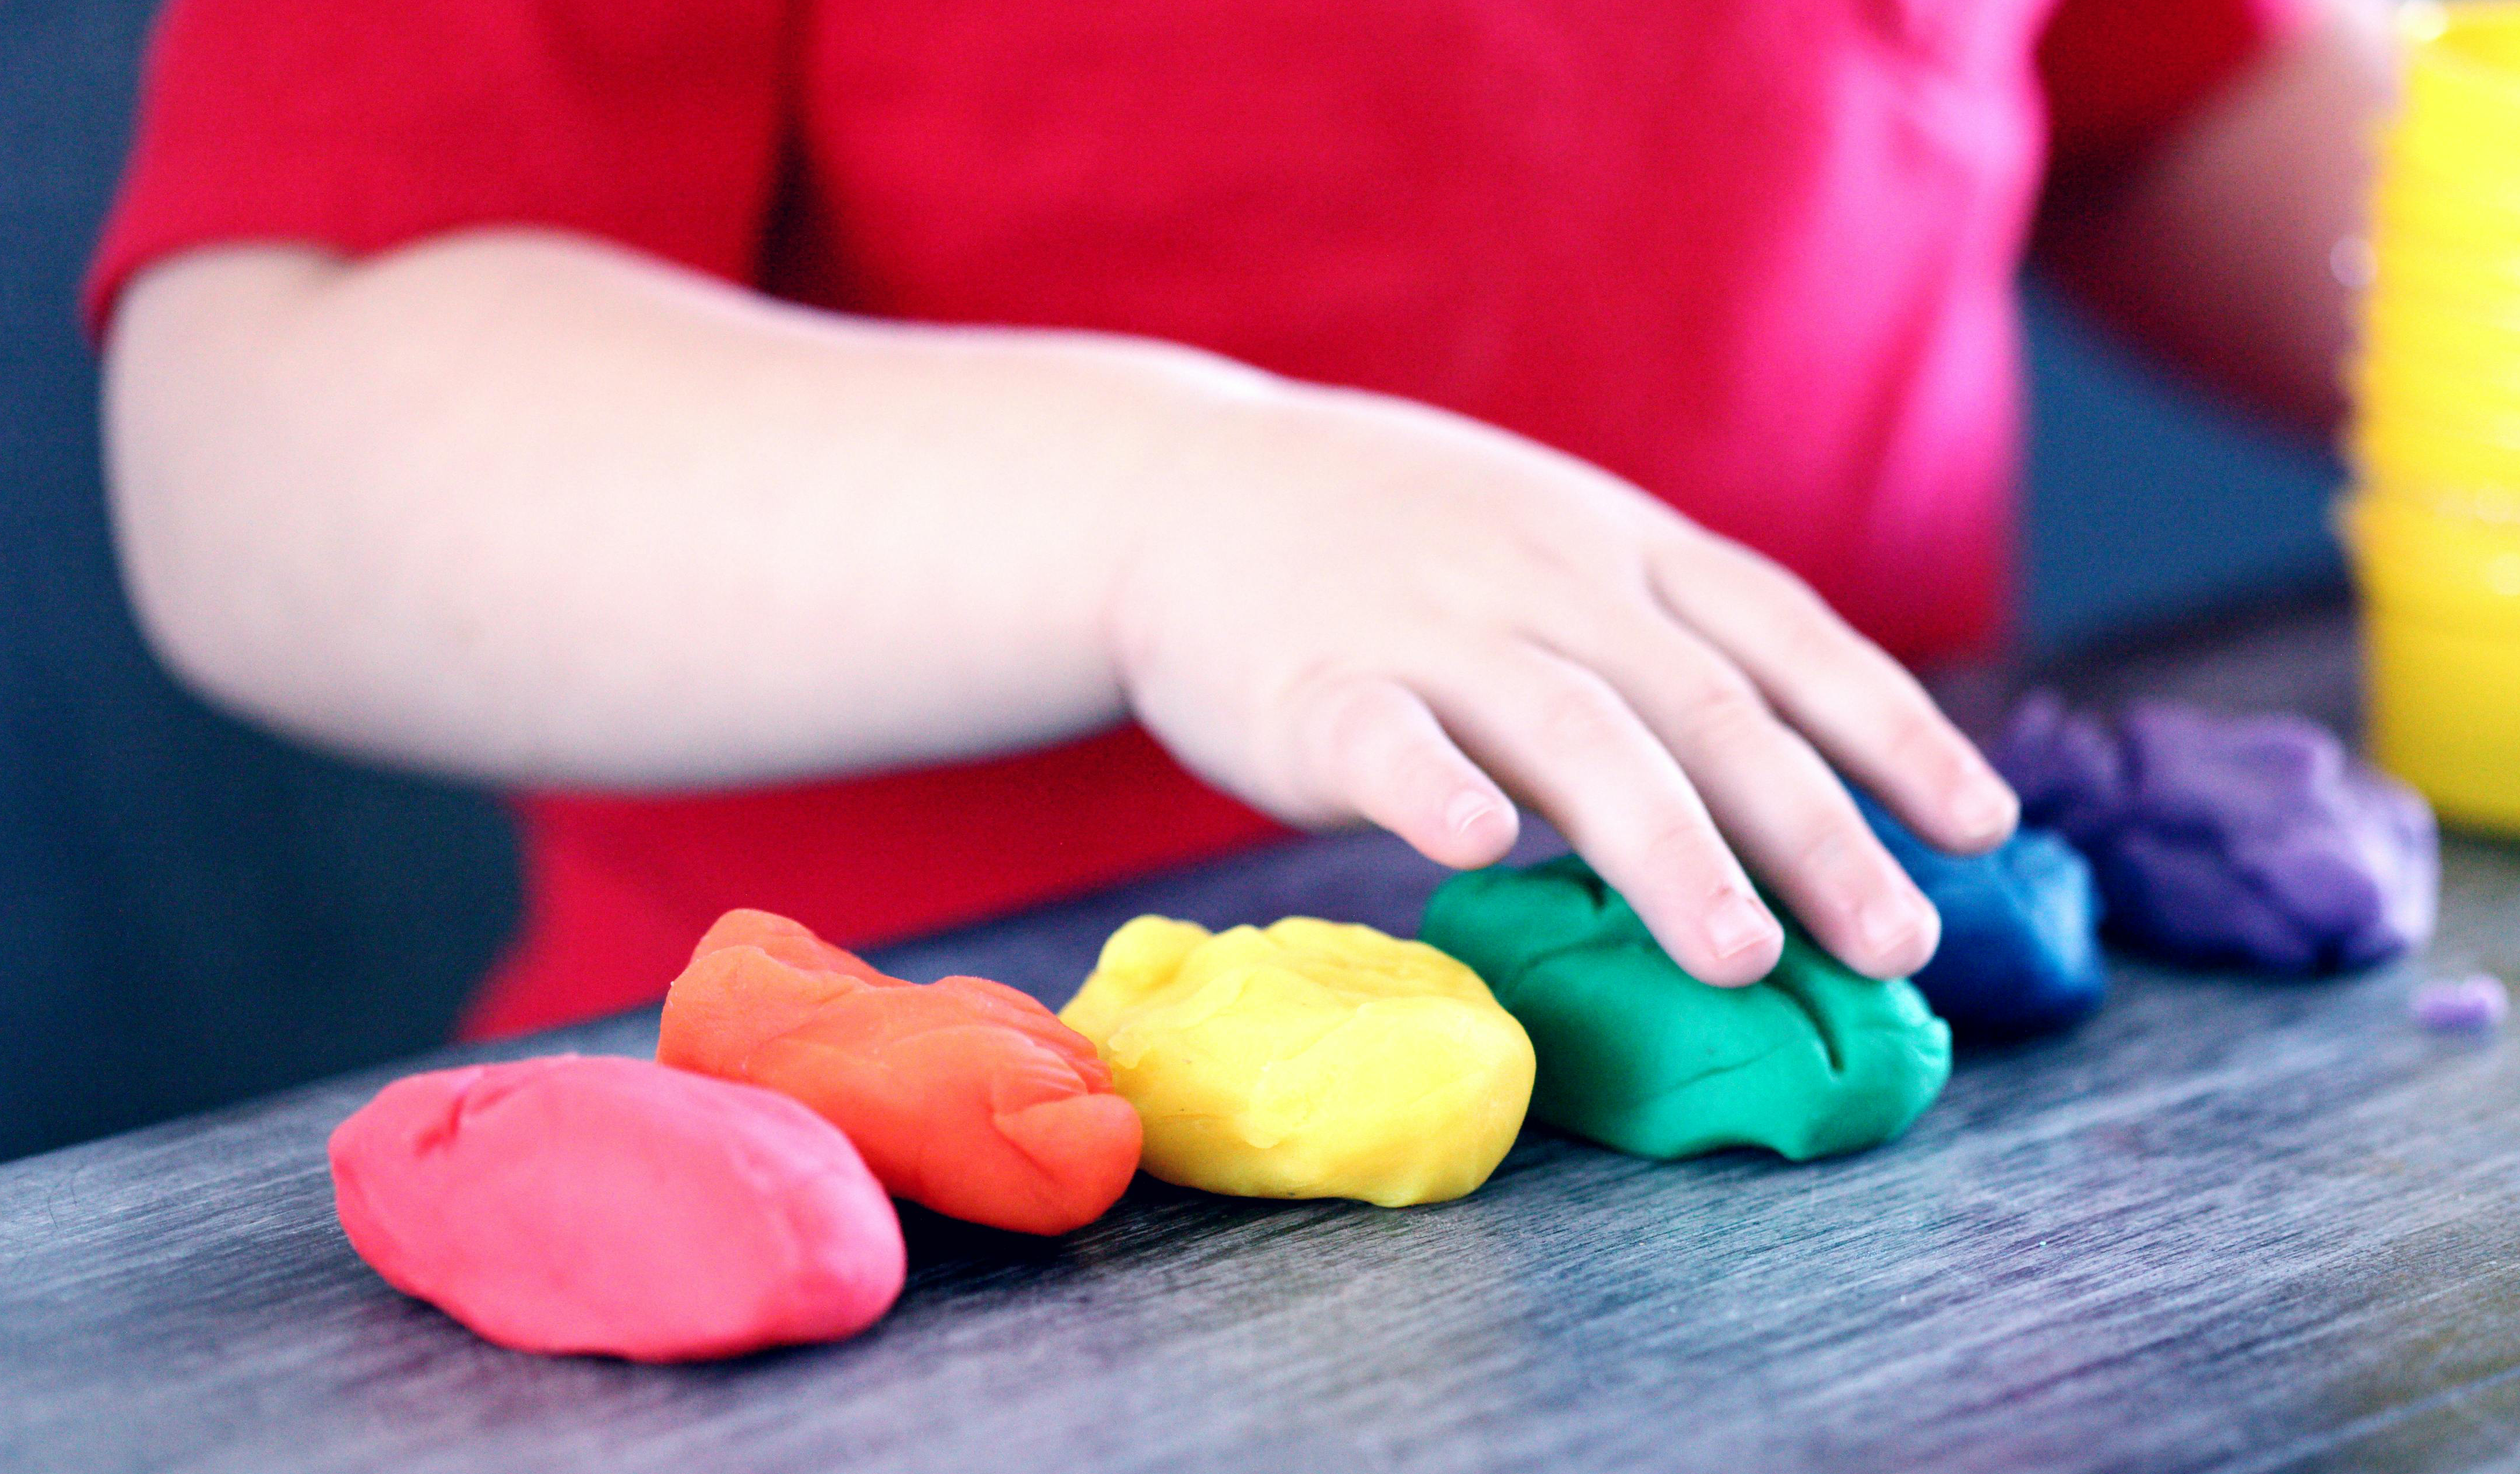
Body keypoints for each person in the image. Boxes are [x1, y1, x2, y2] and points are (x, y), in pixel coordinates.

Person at [89, 0, 2391, 1037]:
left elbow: (2158, 100)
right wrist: (1162, 512)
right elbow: (275, 431)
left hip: (1857, 1074)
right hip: (924, 1212)